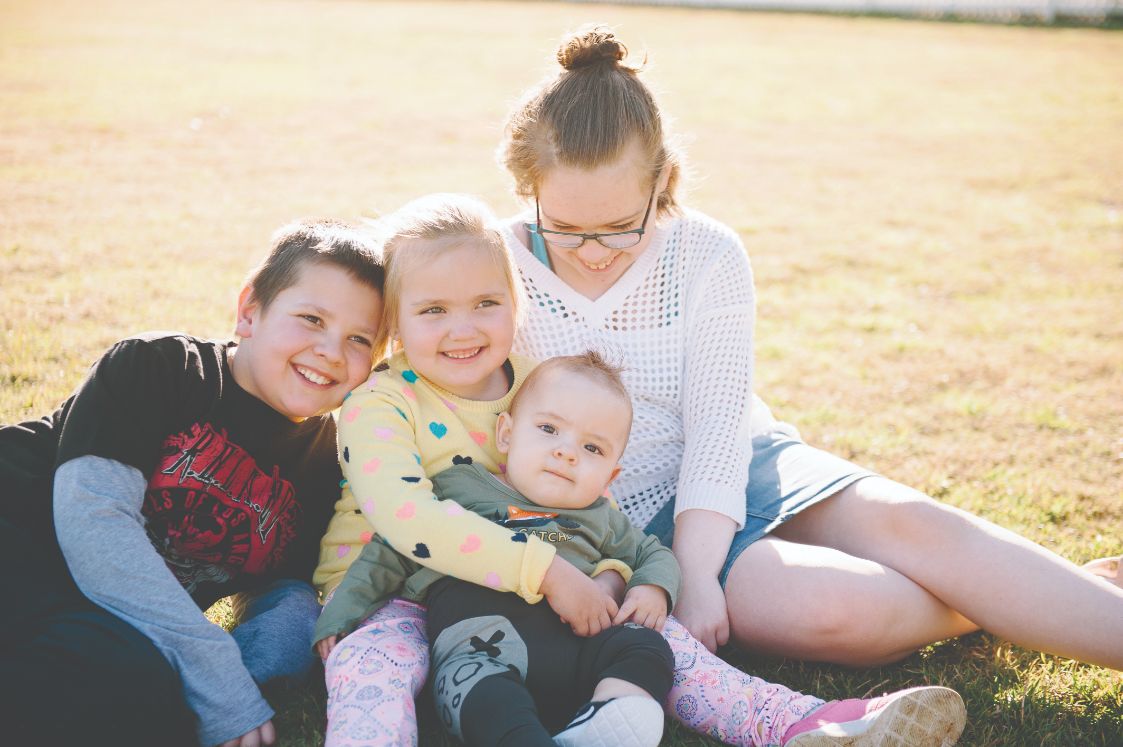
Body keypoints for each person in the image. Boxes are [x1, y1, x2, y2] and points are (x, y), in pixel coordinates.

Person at [496, 25, 1123, 674]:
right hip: (618, 515)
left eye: (622, 227)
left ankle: (1050, 604)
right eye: (566, 229)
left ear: (660, 182)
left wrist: (700, 569)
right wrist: (679, 570)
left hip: (740, 461)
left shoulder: (705, 251)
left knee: (913, 523)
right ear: (524, 188)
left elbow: (717, 425)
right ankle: (1024, 600)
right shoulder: (495, 261)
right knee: (835, 611)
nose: (594, 251)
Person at [314, 193, 967, 747]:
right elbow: (410, 519)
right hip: (389, 594)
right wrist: (550, 573)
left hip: (528, 589)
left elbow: (592, 508)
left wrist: (611, 572)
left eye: (486, 302)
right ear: (393, 325)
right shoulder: (380, 401)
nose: (463, 328)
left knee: (663, 642)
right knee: (369, 675)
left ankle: (801, 724)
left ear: (517, 304)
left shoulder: (530, 388)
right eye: (432, 311)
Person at [0, 219, 386, 747]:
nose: (331, 351)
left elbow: (289, 598)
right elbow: (95, 523)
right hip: (20, 538)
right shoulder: (161, 367)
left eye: (359, 339)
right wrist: (211, 667)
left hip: (103, 626)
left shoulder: (324, 466)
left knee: (137, 688)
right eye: (311, 318)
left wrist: (241, 679)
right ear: (250, 311)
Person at [316, 351, 680, 747]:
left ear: (611, 474)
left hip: (580, 647)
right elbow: (390, 551)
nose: (567, 452)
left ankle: (610, 714)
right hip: (479, 654)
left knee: (645, 646)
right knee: (485, 698)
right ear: (506, 434)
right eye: (548, 429)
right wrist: (342, 609)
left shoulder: (602, 518)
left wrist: (652, 588)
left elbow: (653, 553)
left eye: (592, 449)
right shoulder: (462, 488)